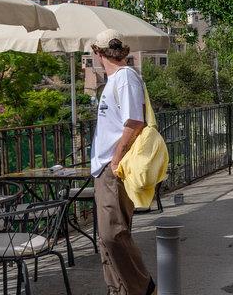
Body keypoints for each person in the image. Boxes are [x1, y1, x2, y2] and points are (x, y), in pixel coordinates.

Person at [90, 29, 156, 295]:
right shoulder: (116, 79)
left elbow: (135, 122)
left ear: (97, 53)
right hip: (103, 167)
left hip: (112, 167)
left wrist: (115, 160)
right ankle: (117, 290)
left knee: (113, 234)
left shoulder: (125, 78)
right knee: (105, 239)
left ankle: (143, 287)